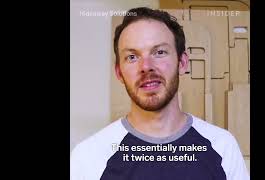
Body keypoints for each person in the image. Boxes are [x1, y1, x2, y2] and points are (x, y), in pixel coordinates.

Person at [71, 7, 250, 180]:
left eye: (159, 52)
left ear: (182, 63)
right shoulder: (88, 157)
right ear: (119, 72)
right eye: (132, 57)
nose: (146, 66)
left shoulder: (223, 146)